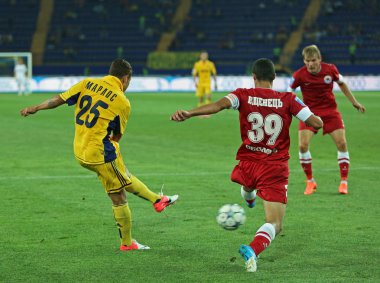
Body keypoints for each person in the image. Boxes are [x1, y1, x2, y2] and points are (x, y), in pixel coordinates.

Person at [171, 58, 322, 272]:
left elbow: (217, 106)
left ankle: (250, 198)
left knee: (249, 186)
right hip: (274, 167)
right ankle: (253, 249)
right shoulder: (289, 99)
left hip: (248, 163)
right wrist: (300, 113)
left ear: (254, 77)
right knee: (275, 224)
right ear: (274, 78)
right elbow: (316, 123)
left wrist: (189, 113)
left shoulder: (242, 94)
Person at [20, 59, 178, 251]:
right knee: (124, 180)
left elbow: (58, 100)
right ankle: (156, 201)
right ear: (126, 78)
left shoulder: (87, 83)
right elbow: (117, 135)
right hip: (100, 153)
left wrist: (35, 108)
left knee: (117, 194)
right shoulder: (122, 101)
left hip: (79, 150)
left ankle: (129, 240)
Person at [290, 45, 365, 195]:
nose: (310, 64)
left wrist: (354, 101)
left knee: (342, 143)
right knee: (303, 145)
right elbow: (289, 92)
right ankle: (310, 181)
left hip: (330, 111)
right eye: (307, 61)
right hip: (309, 113)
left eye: (313, 60)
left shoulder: (330, 70)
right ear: (304, 61)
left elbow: (342, 83)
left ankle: (344, 182)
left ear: (319, 59)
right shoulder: (299, 75)